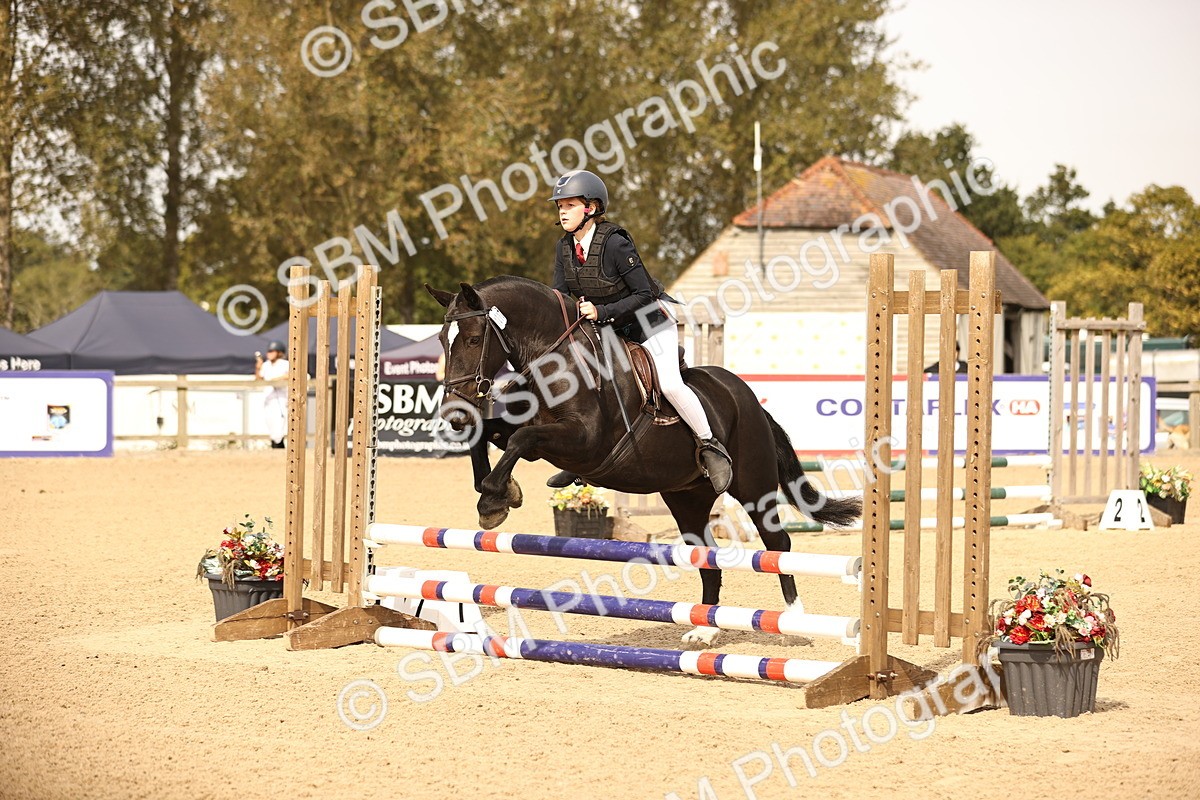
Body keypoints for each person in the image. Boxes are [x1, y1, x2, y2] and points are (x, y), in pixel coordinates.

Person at [543, 169, 733, 493]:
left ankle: (711, 446)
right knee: (584, 382)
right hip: (609, 331)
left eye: (570, 205)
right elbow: (561, 297)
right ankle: (579, 460)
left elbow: (644, 294)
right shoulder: (564, 248)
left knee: (671, 385)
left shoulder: (616, 243)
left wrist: (601, 311)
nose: (562, 211)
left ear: (590, 208)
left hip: (649, 324)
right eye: (559, 206)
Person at [255, 341, 289, 449]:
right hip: (269, 400)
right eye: (268, 351)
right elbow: (258, 379)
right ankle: (276, 448)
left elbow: (290, 375)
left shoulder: (285, 364)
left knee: (280, 428)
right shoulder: (266, 365)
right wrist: (258, 367)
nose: (269, 353)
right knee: (271, 427)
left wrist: (275, 380)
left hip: (281, 399)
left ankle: (279, 449)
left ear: (279, 352)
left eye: (271, 351)